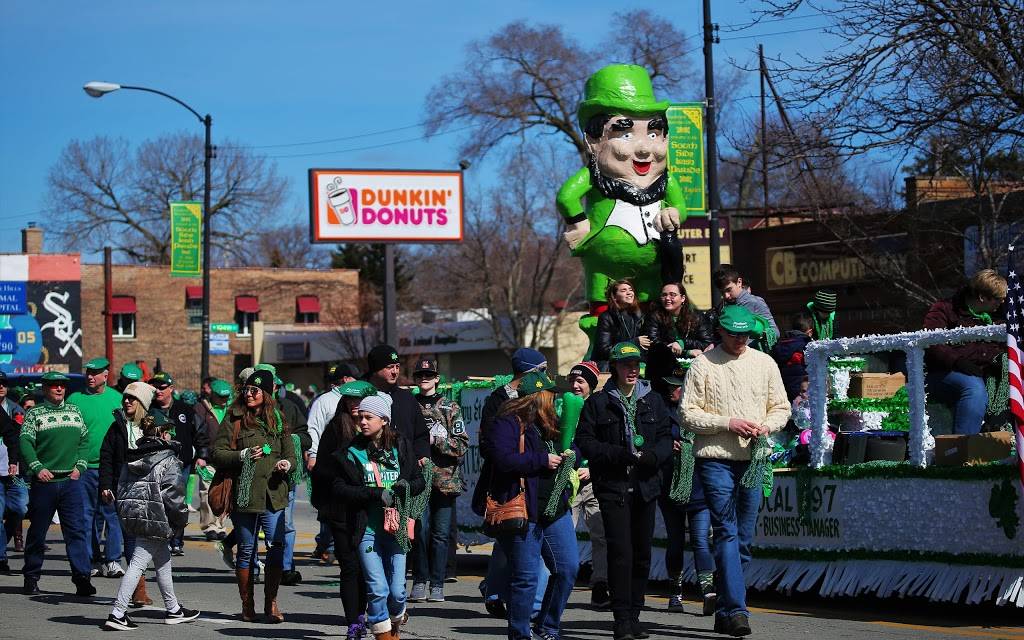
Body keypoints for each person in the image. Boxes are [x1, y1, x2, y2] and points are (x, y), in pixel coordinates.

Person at [681, 305, 790, 637]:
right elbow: (687, 414)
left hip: (754, 457)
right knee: (726, 531)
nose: (740, 339)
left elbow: (781, 407)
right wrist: (727, 423)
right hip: (715, 458)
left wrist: (765, 426)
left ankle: (726, 607)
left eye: (745, 334)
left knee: (744, 538)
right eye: (734, 334)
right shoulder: (702, 364)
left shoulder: (765, 363)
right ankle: (739, 610)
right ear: (721, 332)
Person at [576, 342, 672, 640]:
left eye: (636, 365)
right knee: (621, 552)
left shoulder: (653, 400)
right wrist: (619, 455)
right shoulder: (598, 403)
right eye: (626, 364)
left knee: (642, 553)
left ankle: (634, 615)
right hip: (613, 486)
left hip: (645, 485)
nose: (632, 369)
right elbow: (587, 441)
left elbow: (667, 437)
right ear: (614, 367)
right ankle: (620, 618)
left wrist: (653, 457)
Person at [482, 370, 579, 640]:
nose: (554, 399)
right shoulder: (507, 422)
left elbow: (571, 445)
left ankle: (547, 626)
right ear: (539, 396)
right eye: (550, 394)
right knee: (525, 578)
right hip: (526, 508)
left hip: (554, 508)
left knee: (567, 568)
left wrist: (571, 453)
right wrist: (541, 460)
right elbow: (502, 459)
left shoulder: (550, 421)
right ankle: (520, 635)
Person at [333, 392, 425, 640]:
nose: (362, 422)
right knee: (378, 589)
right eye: (360, 417)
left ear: (384, 420)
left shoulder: (402, 446)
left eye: (368, 417)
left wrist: (402, 487)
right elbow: (339, 489)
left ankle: (396, 620)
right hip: (367, 531)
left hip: (397, 529)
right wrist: (374, 493)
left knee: (397, 593)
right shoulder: (351, 451)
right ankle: (382, 635)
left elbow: (419, 481)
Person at [211, 370, 296, 623]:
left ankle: (271, 601)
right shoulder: (234, 418)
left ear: (266, 394)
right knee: (247, 550)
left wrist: (286, 464)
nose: (248, 394)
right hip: (245, 493)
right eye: (246, 390)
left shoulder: (278, 420)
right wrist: (242, 455)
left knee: (276, 546)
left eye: (254, 390)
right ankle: (247, 604)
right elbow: (217, 453)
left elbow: (291, 455)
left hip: (273, 494)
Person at [104, 412, 200, 630]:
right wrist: (180, 520)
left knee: (163, 562)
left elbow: (123, 487)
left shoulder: (133, 456)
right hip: (158, 518)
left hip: (136, 514)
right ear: (163, 433)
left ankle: (173, 609)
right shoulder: (169, 460)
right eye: (169, 431)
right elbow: (173, 497)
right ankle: (118, 612)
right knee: (138, 564)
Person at [472, 346, 547, 618]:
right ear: (529, 371)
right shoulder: (498, 399)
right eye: (542, 370)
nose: (546, 375)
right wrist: (515, 455)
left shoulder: (542, 395)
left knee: (524, 543)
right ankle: (494, 590)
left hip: (534, 477)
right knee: (507, 538)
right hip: (506, 480)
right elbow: (489, 445)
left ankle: (530, 605)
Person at [310, 380, 377, 639]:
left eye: (359, 401)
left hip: (370, 509)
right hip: (340, 508)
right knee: (349, 565)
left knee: (367, 566)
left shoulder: (379, 431)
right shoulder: (336, 429)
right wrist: (345, 471)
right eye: (350, 401)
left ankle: (367, 613)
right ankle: (354, 622)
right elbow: (322, 471)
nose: (354, 406)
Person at [19, 371, 94, 596]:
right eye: (54, 386)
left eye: (62, 386)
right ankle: (31, 577)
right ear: (45, 390)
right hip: (45, 482)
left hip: (70, 482)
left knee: (77, 531)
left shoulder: (74, 411)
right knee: (38, 532)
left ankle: (82, 578)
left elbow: (85, 440)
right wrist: (36, 467)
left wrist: (80, 465)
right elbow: (25, 442)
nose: (59, 389)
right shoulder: (35, 414)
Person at [655, 373, 716, 616]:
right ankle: (675, 592)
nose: (673, 391)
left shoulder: (702, 412)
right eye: (668, 387)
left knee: (701, 540)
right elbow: (651, 442)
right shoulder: (661, 413)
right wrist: (668, 445)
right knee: (676, 542)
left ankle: (707, 590)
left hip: (699, 488)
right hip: (671, 487)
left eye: (677, 387)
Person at [409, 359, 468, 604]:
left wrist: (437, 441)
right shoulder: (409, 406)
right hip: (418, 480)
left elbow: (462, 444)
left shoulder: (450, 407)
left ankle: (437, 582)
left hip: (445, 481)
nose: (424, 378)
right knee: (420, 532)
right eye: (420, 374)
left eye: (429, 374)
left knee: (441, 535)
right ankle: (420, 580)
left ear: (437, 379)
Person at [924, 268, 1008, 435]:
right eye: (998, 299)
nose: (1002, 303)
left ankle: (1004, 443)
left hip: (984, 372)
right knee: (974, 388)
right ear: (982, 297)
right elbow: (931, 342)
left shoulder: (1000, 316)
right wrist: (958, 361)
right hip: (944, 373)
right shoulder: (944, 309)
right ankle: (963, 450)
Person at [99, 381, 158, 607]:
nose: (126, 401)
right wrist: (105, 484)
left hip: (148, 489)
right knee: (131, 538)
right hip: (123, 489)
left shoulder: (153, 425)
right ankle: (138, 589)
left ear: (142, 402)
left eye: (131, 398)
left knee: (149, 539)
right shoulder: (117, 426)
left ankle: (145, 589)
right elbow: (106, 456)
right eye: (125, 398)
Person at [67, 356, 125, 579]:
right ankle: (91, 559)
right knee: (86, 515)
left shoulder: (117, 399)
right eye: (88, 373)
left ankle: (113, 560)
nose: (90, 376)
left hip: (110, 468)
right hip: (83, 468)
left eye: (95, 373)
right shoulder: (75, 399)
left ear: (105, 375)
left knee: (112, 514)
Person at [148, 372, 210, 555]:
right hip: (155, 464)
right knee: (158, 503)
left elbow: (200, 433)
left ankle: (176, 540)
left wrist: (202, 455)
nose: (158, 390)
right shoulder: (148, 409)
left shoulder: (185, 409)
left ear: (171, 389)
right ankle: (162, 539)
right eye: (155, 387)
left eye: (161, 387)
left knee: (177, 504)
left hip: (181, 465)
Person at [566, 361, 610, 609]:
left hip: (594, 480)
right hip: (568, 481)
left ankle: (601, 584)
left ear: (591, 386)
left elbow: (606, 444)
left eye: (581, 381)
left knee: (601, 535)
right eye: (572, 380)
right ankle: (560, 581)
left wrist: (593, 468)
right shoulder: (563, 407)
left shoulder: (600, 408)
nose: (575, 385)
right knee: (563, 535)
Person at [308, 362, 360, 564]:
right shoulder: (325, 401)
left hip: (354, 465)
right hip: (330, 462)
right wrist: (313, 455)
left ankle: (329, 544)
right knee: (329, 503)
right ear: (347, 380)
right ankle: (328, 546)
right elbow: (314, 428)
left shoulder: (362, 400)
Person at [643, 282, 714, 393]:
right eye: (664, 295)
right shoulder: (653, 316)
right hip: (663, 370)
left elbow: (707, 342)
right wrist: (687, 352)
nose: (667, 298)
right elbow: (654, 344)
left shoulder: (697, 317)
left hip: (692, 370)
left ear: (682, 298)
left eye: (672, 295)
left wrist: (682, 343)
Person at [365, 345, 430, 460]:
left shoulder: (407, 398)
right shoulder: (361, 398)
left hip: (406, 469)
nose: (395, 372)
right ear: (375, 370)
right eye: (390, 367)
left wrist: (422, 455)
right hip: (371, 467)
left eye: (397, 366)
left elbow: (421, 434)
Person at [193, 379, 232, 541]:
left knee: (224, 494)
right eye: (220, 397)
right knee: (206, 493)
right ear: (212, 395)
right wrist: (201, 456)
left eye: (226, 397)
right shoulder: (201, 409)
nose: (223, 400)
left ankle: (221, 526)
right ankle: (209, 526)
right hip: (209, 458)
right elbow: (199, 433)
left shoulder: (232, 409)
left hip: (227, 458)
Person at [712, 265, 779, 350]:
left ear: (739, 282)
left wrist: (760, 335)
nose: (726, 296)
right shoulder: (723, 306)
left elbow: (775, 332)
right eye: (722, 292)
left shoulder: (755, 302)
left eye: (729, 290)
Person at [594, 279, 647, 370]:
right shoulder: (607, 317)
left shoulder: (639, 316)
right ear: (615, 297)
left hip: (635, 363)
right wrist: (633, 343)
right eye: (623, 290)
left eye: (631, 290)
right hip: (612, 365)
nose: (629, 293)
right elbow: (603, 350)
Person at [0, 393, 24, 574]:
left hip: (13, 472)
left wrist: (13, 461)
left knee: (20, 508)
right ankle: (1, 557)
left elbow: (11, 435)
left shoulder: (16, 408)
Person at [771, 313, 814, 402]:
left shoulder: (780, 344)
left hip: (783, 387)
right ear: (810, 332)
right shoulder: (808, 345)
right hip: (802, 389)